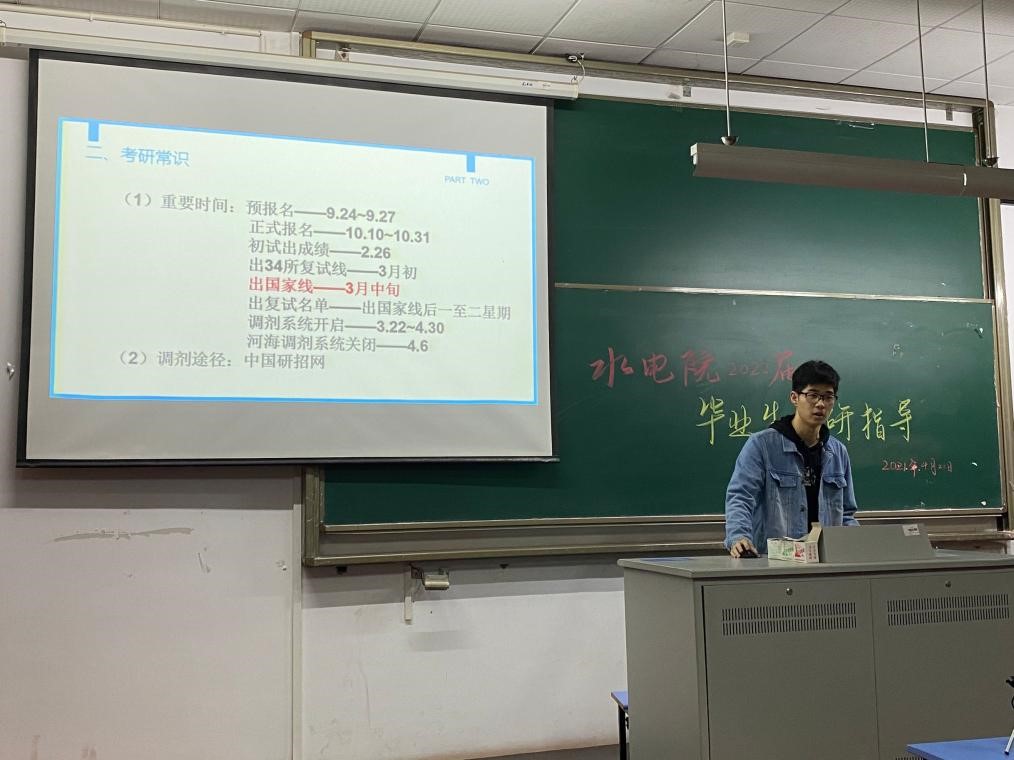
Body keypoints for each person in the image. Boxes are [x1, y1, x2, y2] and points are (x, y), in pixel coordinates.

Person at [724, 359, 858, 558]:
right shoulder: (762, 445)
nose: (821, 404)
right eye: (813, 395)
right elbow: (741, 497)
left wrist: (858, 545)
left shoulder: (838, 452)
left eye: (828, 397)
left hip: (828, 560)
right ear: (795, 397)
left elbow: (846, 513)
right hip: (776, 560)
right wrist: (738, 536)